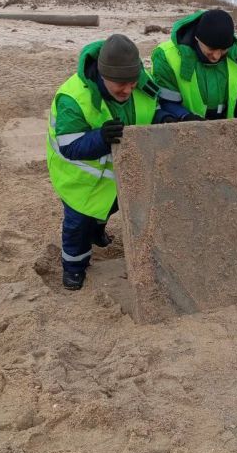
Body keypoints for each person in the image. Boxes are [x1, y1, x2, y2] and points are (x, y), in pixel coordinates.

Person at [47, 34, 169, 290]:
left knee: (110, 209)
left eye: (132, 83)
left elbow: (154, 114)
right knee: (77, 226)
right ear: (103, 76)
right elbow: (69, 146)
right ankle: (74, 268)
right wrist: (101, 137)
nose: (127, 90)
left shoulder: (142, 87)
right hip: (81, 182)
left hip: (119, 176)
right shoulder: (73, 98)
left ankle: (97, 232)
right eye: (119, 86)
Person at [151, 8, 237, 120]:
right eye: (211, 49)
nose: (217, 56)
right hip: (185, 128)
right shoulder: (166, 56)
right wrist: (185, 117)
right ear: (197, 39)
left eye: (223, 50)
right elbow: (165, 102)